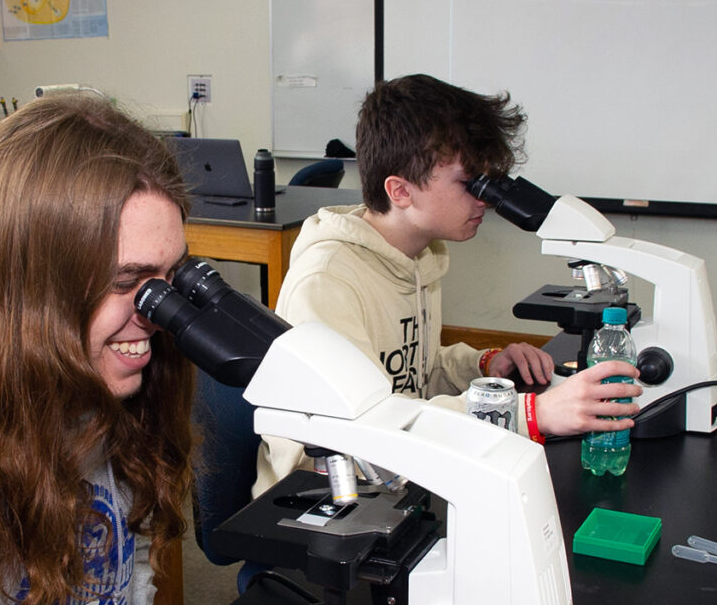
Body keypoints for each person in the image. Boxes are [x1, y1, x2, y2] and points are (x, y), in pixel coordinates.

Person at [0, 95, 378, 605]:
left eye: (169, 281)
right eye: (127, 283)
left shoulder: (105, 412)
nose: (156, 318)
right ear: (28, 284)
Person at [254, 74, 641, 495]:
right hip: (322, 506)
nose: (486, 200)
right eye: (470, 183)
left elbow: (412, 374)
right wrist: (527, 413)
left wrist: (484, 367)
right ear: (400, 191)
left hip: (403, 483)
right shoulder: (327, 283)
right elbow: (357, 440)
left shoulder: (417, 257)